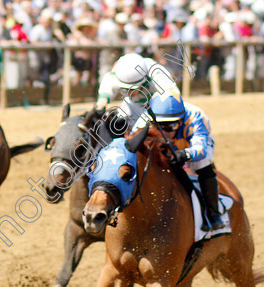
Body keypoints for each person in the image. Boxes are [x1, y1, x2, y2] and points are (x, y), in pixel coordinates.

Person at [134, 92, 224, 232]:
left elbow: (201, 150)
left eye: (170, 127)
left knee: (201, 164)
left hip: (189, 141)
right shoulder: (145, 119)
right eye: (160, 127)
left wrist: (184, 154)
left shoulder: (196, 117)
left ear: (181, 121)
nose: (165, 132)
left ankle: (213, 212)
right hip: (163, 143)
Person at [95, 52, 180, 127]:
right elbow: (106, 88)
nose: (129, 92)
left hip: (156, 107)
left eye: (132, 88)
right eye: (125, 89)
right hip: (132, 105)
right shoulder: (118, 70)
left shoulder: (156, 73)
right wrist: (101, 105)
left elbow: (174, 97)